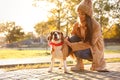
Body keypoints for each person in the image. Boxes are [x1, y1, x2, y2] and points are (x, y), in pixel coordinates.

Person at [64, 0, 109, 72]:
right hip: (83, 47)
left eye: (82, 14)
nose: (80, 16)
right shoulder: (77, 24)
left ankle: (95, 61)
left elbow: (90, 43)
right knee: (72, 38)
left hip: (93, 50)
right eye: (78, 13)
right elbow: (72, 36)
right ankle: (79, 65)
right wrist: (67, 39)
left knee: (79, 52)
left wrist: (70, 44)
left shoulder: (95, 25)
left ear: (88, 15)